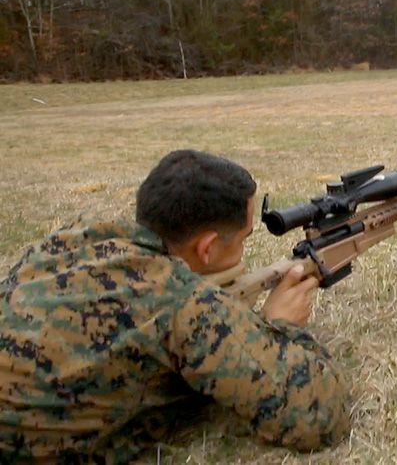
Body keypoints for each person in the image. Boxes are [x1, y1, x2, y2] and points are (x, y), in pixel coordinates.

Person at [0, 150, 350, 464]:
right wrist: (282, 325)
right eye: (243, 240)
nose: (242, 251)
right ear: (207, 248)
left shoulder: (75, 237)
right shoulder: (184, 303)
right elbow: (318, 418)